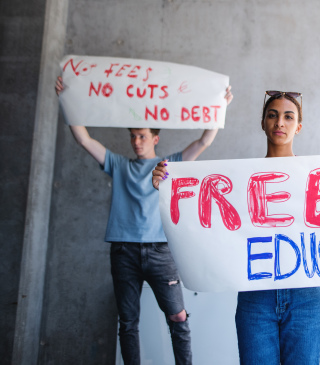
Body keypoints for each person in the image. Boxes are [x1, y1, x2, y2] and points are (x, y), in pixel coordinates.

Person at [151, 90, 320, 365]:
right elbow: (206, 218)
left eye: (288, 117)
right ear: (263, 122)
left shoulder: (316, 175)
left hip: (305, 298)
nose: (280, 123)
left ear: (298, 127)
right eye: (273, 115)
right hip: (256, 299)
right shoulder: (238, 180)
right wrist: (166, 183)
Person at [55, 76, 233, 365]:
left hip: (160, 252)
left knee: (177, 315)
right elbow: (84, 139)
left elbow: (204, 141)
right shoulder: (119, 165)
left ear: (155, 138)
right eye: (133, 136)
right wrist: (67, 99)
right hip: (124, 252)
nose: (136, 142)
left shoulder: (169, 165)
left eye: (142, 136)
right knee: (127, 322)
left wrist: (219, 107)